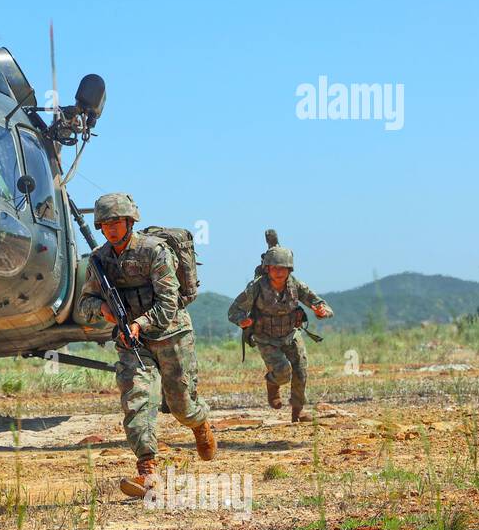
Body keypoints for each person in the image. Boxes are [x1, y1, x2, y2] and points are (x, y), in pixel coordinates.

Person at [77, 192, 216, 498]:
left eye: (118, 221)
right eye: (106, 223)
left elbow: (169, 304)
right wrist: (104, 310)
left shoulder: (156, 252)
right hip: (132, 343)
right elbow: (84, 302)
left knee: (181, 406)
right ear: (100, 227)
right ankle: (147, 471)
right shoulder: (99, 260)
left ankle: (199, 422)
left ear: (130, 221)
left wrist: (139, 323)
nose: (112, 228)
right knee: (136, 401)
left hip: (171, 335)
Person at [227, 244, 333, 422]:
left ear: (290, 269)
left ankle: (297, 411)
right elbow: (233, 311)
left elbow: (318, 302)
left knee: (301, 370)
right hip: (265, 337)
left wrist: (322, 311)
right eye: (275, 268)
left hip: (291, 334)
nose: (279, 272)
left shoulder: (296, 285)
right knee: (283, 372)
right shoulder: (256, 288)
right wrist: (242, 321)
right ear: (268, 269)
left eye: (283, 268)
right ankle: (272, 383)